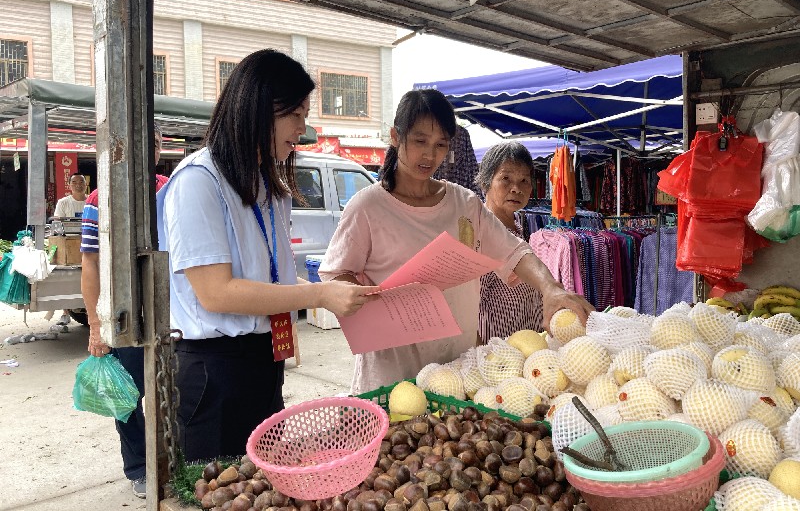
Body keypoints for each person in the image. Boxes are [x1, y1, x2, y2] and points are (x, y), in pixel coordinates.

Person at [156, 49, 378, 462]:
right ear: (257, 108)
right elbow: (217, 294)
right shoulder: (199, 181)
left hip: (264, 358)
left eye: (304, 114)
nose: (302, 128)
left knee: (262, 486)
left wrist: (327, 290)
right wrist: (317, 296)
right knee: (217, 490)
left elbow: (271, 279)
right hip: (214, 369)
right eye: (294, 114)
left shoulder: (268, 186)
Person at [319, 89, 594, 394]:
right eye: (420, 141)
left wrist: (550, 289)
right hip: (392, 376)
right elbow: (336, 276)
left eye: (440, 145)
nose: (429, 155)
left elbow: (515, 250)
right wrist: (371, 300)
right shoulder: (367, 207)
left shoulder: (463, 204)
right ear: (396, 137)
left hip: (455, 374)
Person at [80, 123, 168, 499]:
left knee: (171, 390)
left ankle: (170, 457)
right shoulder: (98, 200)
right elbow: (90, 265)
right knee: (126, 397)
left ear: (158, 151)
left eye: (150, 144)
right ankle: (138, 467)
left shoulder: (170, 189)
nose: (142, 151)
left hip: (168, 311)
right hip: (123, 313)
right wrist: (95, 325)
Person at [476, 141, 544, 340]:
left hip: (526, 344)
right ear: (486, 183)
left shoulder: (518, 228)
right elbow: (470, 305)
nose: (516, 188)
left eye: (524, 180)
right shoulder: (480, 234)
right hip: (497, 351)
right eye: (506, 178)